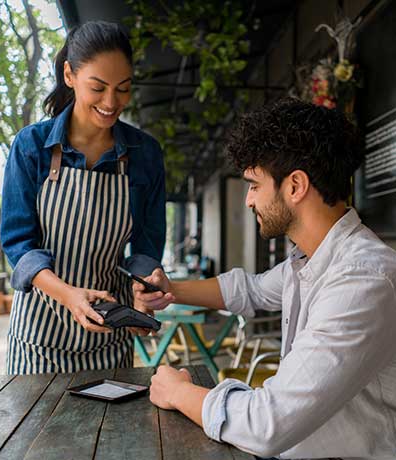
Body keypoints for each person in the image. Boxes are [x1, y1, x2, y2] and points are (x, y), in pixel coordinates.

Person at [134, 98, 396, 459]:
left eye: (254, 185)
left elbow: (267, 423)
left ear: (295, 186)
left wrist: (180, 391)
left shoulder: (361, 281)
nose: (248, 201)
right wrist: (172, 290)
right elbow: (251, 290)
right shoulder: (308, 259)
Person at [0, 21, 166, 374]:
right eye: (98, 87)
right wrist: (68, 295)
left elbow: (145, 247)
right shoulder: (31, 147)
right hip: (38, 340)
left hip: (110, 338)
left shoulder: (145, 154)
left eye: (123, 89)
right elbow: (18, 245)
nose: (111, 102)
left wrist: (144, 289)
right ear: (69, 75)